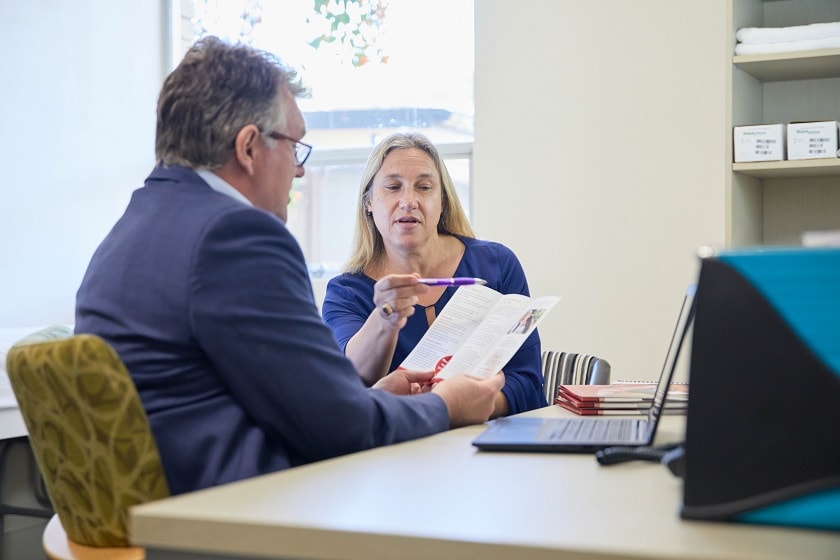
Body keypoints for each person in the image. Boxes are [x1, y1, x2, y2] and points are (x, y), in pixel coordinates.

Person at [74, 37, 503, 496]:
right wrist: (445, 405)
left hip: (156, 507)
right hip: (229, 515)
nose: (299, 171)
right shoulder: (235, 238)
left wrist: (372, 399)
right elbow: (337, 426)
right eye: (294, 146)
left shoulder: (132, 227)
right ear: (249, 148)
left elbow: (307, 403)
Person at [322, 132, 547, 418]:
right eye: (393, 187)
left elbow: (528, 382)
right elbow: (354, 383)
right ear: (368, 202)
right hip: (400, 455)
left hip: (494, 448)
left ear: (442, 201)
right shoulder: (346, 292)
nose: (408, 201)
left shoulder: (498, 264)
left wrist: (467, 408)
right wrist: (385, 318)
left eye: (424, 187)